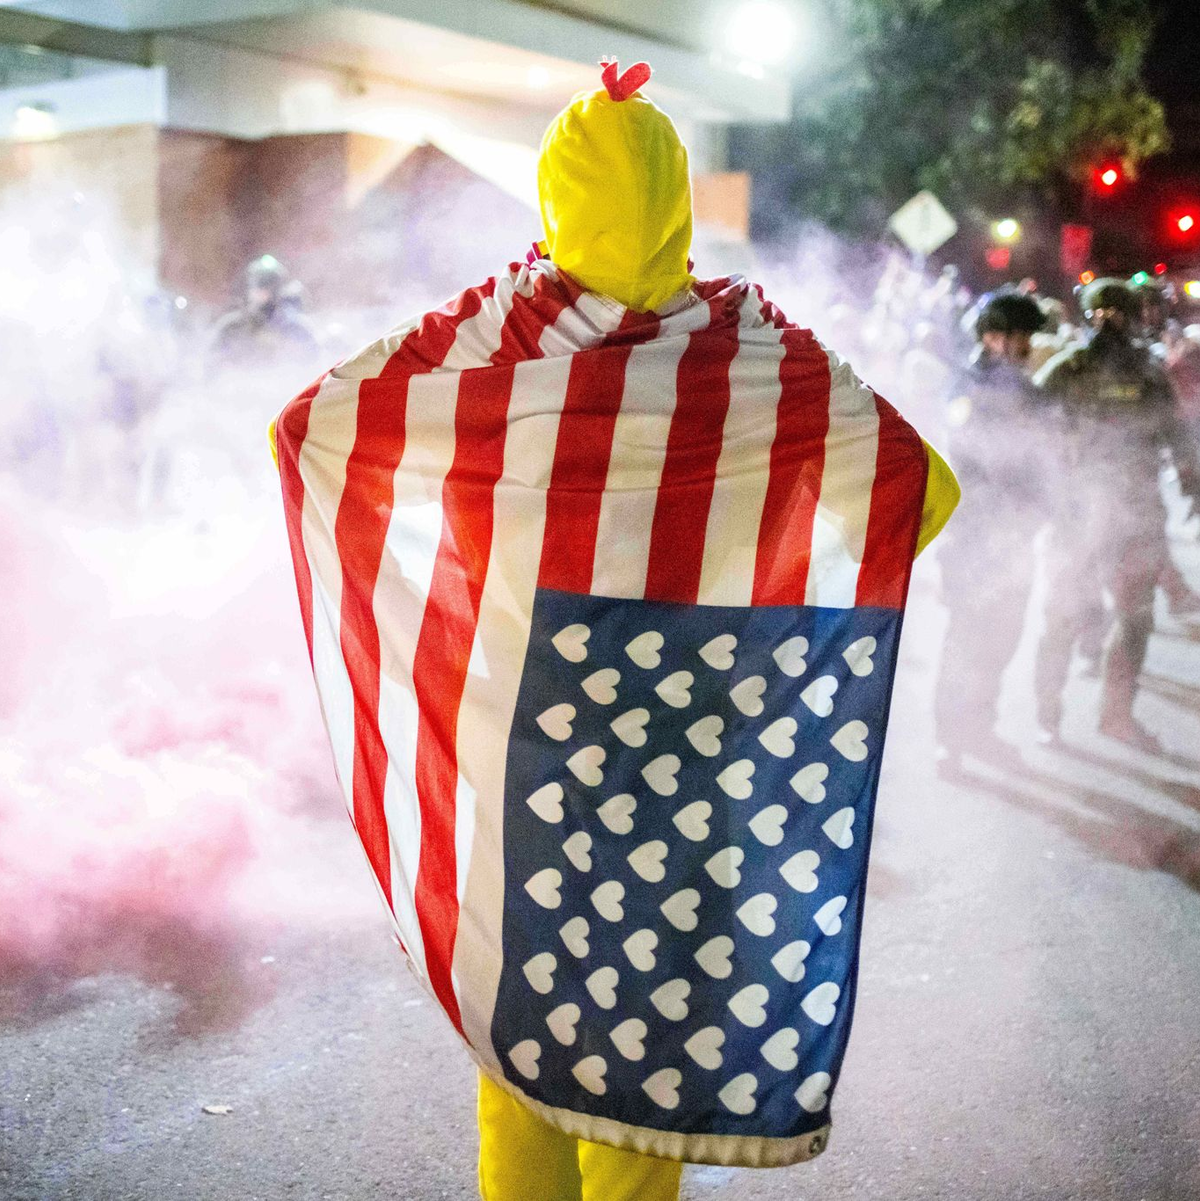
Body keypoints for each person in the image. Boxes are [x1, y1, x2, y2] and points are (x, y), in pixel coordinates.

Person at [272, 61, 958, 1201]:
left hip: (515, 756)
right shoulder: (765, 359)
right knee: (654, 1042)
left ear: (554, 200)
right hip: (690, 772)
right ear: (679, 197)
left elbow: (309, 432)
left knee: (520, 1034)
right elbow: (917, 493)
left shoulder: (492, 341)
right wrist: (763, 566)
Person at [1034, 278, 1200, 750]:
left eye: (1114, 315)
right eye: (1103, 315)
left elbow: (1182, 440)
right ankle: (1052, 715)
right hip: (1084, 517)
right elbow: (1029, 438)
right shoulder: (1076, 371)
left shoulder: (1097, 371)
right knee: (1066, 619)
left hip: (1128, 519)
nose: (1109, 324)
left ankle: (1111, 715)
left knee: (1131, 620)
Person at [935, 290, 1051, 766]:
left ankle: (980, 729)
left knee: (1003, 636)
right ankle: (951, 739)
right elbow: (966, 462)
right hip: (973, 540)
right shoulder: (965, 389)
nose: (1029, 349)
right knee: (966, 638)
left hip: (1014, 540)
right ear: (994, 338)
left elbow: (1045, 462)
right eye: (1022, 338)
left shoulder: (1030, 393)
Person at [210, 254, 321, 372]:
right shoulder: (231, 327)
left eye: (267, 284)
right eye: (257, 284)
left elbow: (313, 364)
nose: (261, 291)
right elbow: (214, 362)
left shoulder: (297, 327)